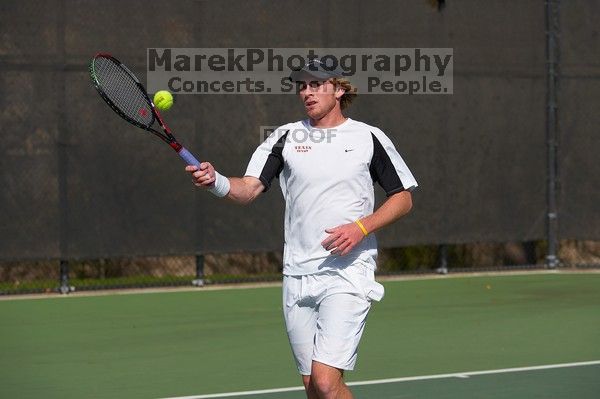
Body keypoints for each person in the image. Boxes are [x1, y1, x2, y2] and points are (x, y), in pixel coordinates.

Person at [186, 59, 418, 399]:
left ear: (338, 89)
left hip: (348, 272)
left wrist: (360, 227)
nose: (306, 92)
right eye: (301, 86)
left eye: (316, 84)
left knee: (325, 381)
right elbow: (249, 188)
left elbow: (403, 198)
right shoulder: (284, 137)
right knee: (314, 388)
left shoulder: (369, 137)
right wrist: (215, 181)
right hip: (297, 275)